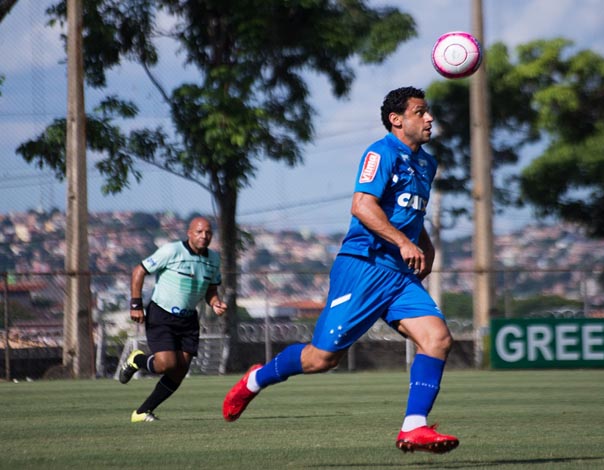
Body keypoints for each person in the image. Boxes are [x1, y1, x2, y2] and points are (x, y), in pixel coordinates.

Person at [222, 86, 458, 454]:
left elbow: (411, 212)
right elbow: (363, 206)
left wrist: (422, 244)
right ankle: (256, 379)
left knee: (438, 339)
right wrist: (403, 242)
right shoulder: (381, 153)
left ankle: (414, 427)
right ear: (397, 120)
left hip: (397, 275)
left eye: (428, 112)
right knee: (322, 359)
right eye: (420, 112)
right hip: (362, 266)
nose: (429, 118)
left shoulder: (427, 163)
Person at [119, 216, 228, 422]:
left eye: (208, 233)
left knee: (179, 371)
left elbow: (211, 289)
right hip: (162, 314)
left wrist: (215, 302)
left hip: (188, 320)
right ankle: (137, 360)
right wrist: (135, 304)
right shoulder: (172, 251)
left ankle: (142, 413)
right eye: (199, 232)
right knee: (166, 364)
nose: (204, 236)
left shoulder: (213, 259)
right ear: (189, 233)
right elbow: (139, 271)